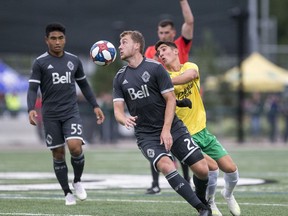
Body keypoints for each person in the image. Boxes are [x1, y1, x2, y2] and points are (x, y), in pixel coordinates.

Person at [113, 30, 211, 216]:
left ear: (136, 46)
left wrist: (166, 130)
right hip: (146, 135)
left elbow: (171, 100)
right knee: (167, 166)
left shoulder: (156, 69)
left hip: (172, 126)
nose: (120, 46)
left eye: (124, 42)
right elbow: (118, 109)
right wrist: (123, 118)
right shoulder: (119, 77)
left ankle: (203, 200)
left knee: (202, 169)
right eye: (120, 43)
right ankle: (202, 209)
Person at [155, 41, 241, 216]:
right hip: (184, 134)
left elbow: (191, 75)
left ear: (175, 51)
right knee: (212, 168)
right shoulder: (162, 75)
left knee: (232, 170)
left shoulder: (189, 66)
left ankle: (228, 194)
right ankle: (210, 202)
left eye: (164, 50)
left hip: (202, 131)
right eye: (158, 52)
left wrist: (166, 81)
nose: (161, 54)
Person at [27, 23, 105, 206]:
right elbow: (32, 89)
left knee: (75, 147)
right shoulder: (40, 62)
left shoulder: (74, 61)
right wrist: (31, 108)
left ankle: (77, 180)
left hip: (71, 111)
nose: (57, 42)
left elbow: (84, 85)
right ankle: (67, 192)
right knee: (58, 154)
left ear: (65, 39)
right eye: (53, 38)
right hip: (50, 115)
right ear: (47, 40)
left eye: (60, 38)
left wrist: (95, 105)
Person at [145, 0, 194, 194]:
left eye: (167, 33)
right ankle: (156, 183)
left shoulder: (180, 45)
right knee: (157, 140)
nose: (163, 36)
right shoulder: (151, 51)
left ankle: (188, 179)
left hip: (181, 97)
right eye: (161, 33)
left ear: (173, 34)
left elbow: (189, 23)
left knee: (182, 139)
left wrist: (183, 2)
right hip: (160, 101)